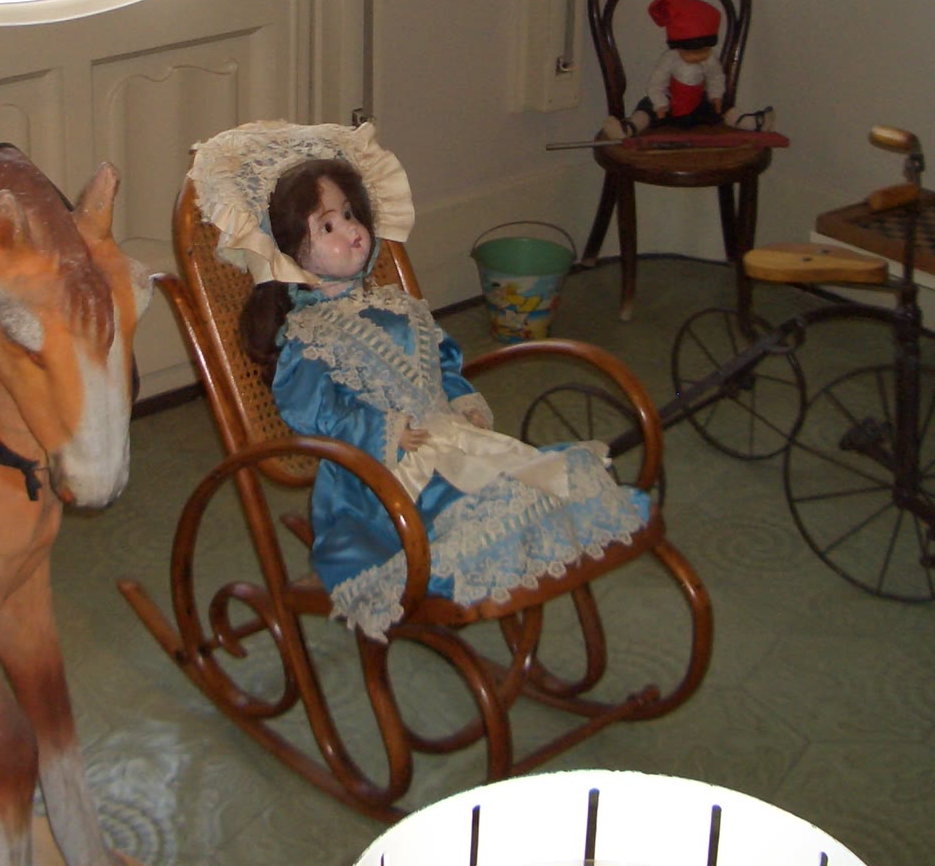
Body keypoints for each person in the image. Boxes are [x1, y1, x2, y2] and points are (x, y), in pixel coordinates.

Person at [237, 154, 650, 642]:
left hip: (449, 443)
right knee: (469, 511)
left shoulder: (396, 305)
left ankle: (514, 545)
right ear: (292, 254)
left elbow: (441, 365)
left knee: (534, 481)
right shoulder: (310, 334)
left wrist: (460, 401)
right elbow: (311, 412)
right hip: (378, 480)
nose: (350, 230)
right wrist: (384, 429)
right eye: (327, 226)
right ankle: (458, 558)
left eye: (349, 214)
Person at [600, 0, 738, 140]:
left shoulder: (710, 58)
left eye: (704, 51)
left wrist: (716, 95)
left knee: (723, 107)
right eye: (691, 52)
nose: (698, 57)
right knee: (646, 106)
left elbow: (716, 76)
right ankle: (629, 128)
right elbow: (657, 82)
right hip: (671, 103)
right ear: (678, 47)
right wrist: (660, 103)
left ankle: (743, 120)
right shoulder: (670, 59)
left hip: (696, 102)